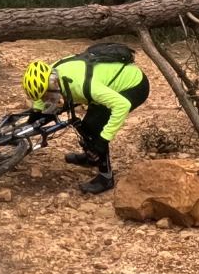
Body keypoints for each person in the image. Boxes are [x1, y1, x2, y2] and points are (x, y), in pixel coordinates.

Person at [22, 51, 150, 194]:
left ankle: (105, 177)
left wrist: (104, 139)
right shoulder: (50, 74)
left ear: (53, 82)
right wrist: (37, 112)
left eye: (47, 94)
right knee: (87, 125)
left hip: (133, 85)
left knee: (95, 128)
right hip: (105, 82)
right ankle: (91, 158)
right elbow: (41, 96)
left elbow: (122, 106)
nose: (46, 98)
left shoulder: (84, 86)